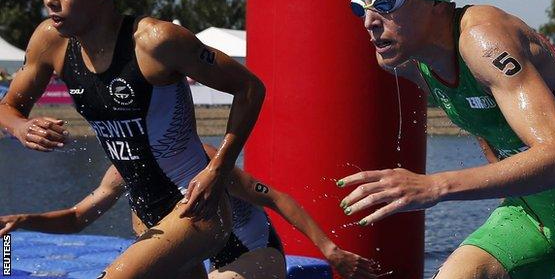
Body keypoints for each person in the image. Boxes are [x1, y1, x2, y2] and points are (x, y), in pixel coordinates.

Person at [338, 0, 555, 278]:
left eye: (385, 3)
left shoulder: (483, 39)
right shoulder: (405, 62)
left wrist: (434, 186)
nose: (369, 22)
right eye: (359, 8)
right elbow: (484, 123)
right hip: (533, 211)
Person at [0, 0, 266, 278]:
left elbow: (249, 87)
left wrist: (218, 169)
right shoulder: (49, 42)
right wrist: (21, 126)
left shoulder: (157, 42)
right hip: (146, 216)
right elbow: (8, 106)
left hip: (195, 209)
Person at [0, 143, 377, 279]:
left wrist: (330, 250)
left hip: (257, 257)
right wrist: (22, 221)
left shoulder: (208, 163)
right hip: (198, 263)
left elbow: (277, 198)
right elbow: (79, 216)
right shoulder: (122, 170)